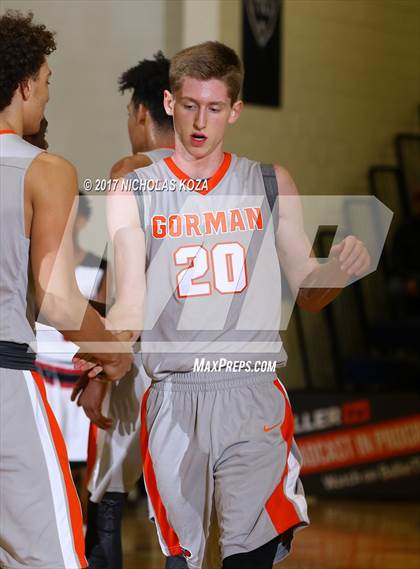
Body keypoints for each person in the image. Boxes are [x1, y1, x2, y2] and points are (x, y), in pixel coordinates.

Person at [106, 42, 370, 569]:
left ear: (236, 109)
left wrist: (339, 270)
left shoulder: (270, 183)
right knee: (180, 560)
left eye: (215, 107)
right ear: (168, 101)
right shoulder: (134, 190)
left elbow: (310, 291)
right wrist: (102, 356)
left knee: (250, 557)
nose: (201, 121)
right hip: (175, 397)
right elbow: (128, 304)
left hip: (250, 392)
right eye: (189, 106)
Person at [0, 10, 132, 568]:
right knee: (51, 558)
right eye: (47, 82)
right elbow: (56, 298)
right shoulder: (46, 169)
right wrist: (112, 349)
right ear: (25, 83)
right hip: (4, 380)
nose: (48, 97)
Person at [82, 53, 186, 569]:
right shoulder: (213, 173)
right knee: (182, 503)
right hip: (194, 361)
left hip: (139, 355)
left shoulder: (129, 173)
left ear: (141, 113)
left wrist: (101, 365)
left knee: (106, 493)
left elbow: (119, 280)